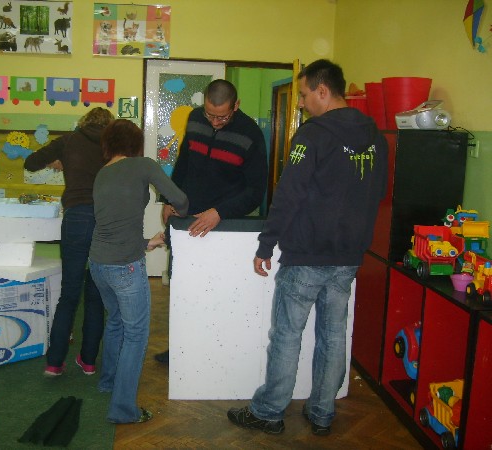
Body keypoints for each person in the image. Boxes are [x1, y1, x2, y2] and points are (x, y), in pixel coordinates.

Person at [227, 59, 388, 436]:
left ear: (323, 91)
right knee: (334, 335)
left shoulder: (312, 135)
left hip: (307, 255)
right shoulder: (376, 138)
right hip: (347, 257)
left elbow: (289, 193)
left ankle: (269, 411)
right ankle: (321, 412)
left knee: (286, 335)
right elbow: (378, 193)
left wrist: (266, 245)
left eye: (303, 95)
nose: (300, 103)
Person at [155, 78, 268, 363]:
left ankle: (213, 354)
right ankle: (180, 350)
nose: (215, 122)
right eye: (210, 115)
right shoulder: (195, 119)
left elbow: (256, 191)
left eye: (222, 117)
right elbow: (183, 163)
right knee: (182, 288)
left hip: (223, 227)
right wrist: (170, 199)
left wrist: (219, 212)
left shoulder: (251, 134)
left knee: (215, 293)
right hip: (186, 219)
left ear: (236, 105)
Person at [88, 119, 188, 424]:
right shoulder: (143, 165)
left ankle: (108, 382)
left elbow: (113, 226)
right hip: (124, 267)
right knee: (135, 335)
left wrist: (148, 242)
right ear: (135, 144)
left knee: (116, 322)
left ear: (108, 144)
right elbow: (181, 199)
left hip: (98, 264)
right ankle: (123, 410)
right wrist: (179, 213)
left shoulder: (102, 173)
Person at [24, 107, 114, 377]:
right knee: (95, 296)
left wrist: (58, 161)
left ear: (83, 122)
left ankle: (54, 362)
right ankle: (88, 362)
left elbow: (30, 163)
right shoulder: (114, 144)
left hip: (76, 218)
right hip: (105, 219)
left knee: (69, 294)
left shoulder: (69, 140)